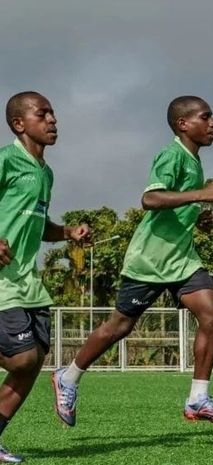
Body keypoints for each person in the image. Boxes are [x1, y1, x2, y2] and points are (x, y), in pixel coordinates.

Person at [52, 96, 213, 427]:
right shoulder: (172, 155)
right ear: (183, 124)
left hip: (181, 260)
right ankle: (69, 375)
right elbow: (150, 199)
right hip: (149, 261)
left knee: (212, 314)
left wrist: (198, 220)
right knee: (119, 327)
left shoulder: (194, 162)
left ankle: (198, 398)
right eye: (205, 117)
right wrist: (201, 195)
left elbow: (177, 208)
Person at [0, 92, 90, 463]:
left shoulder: (45, 173)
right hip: (3, 280)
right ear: (20, 124)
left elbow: (35, 226)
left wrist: (67, 232)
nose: (52, 119)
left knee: (34, 360)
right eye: (43, 113)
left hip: (28, 282)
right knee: (21, 359)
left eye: (53, 113)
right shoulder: (6, 160)